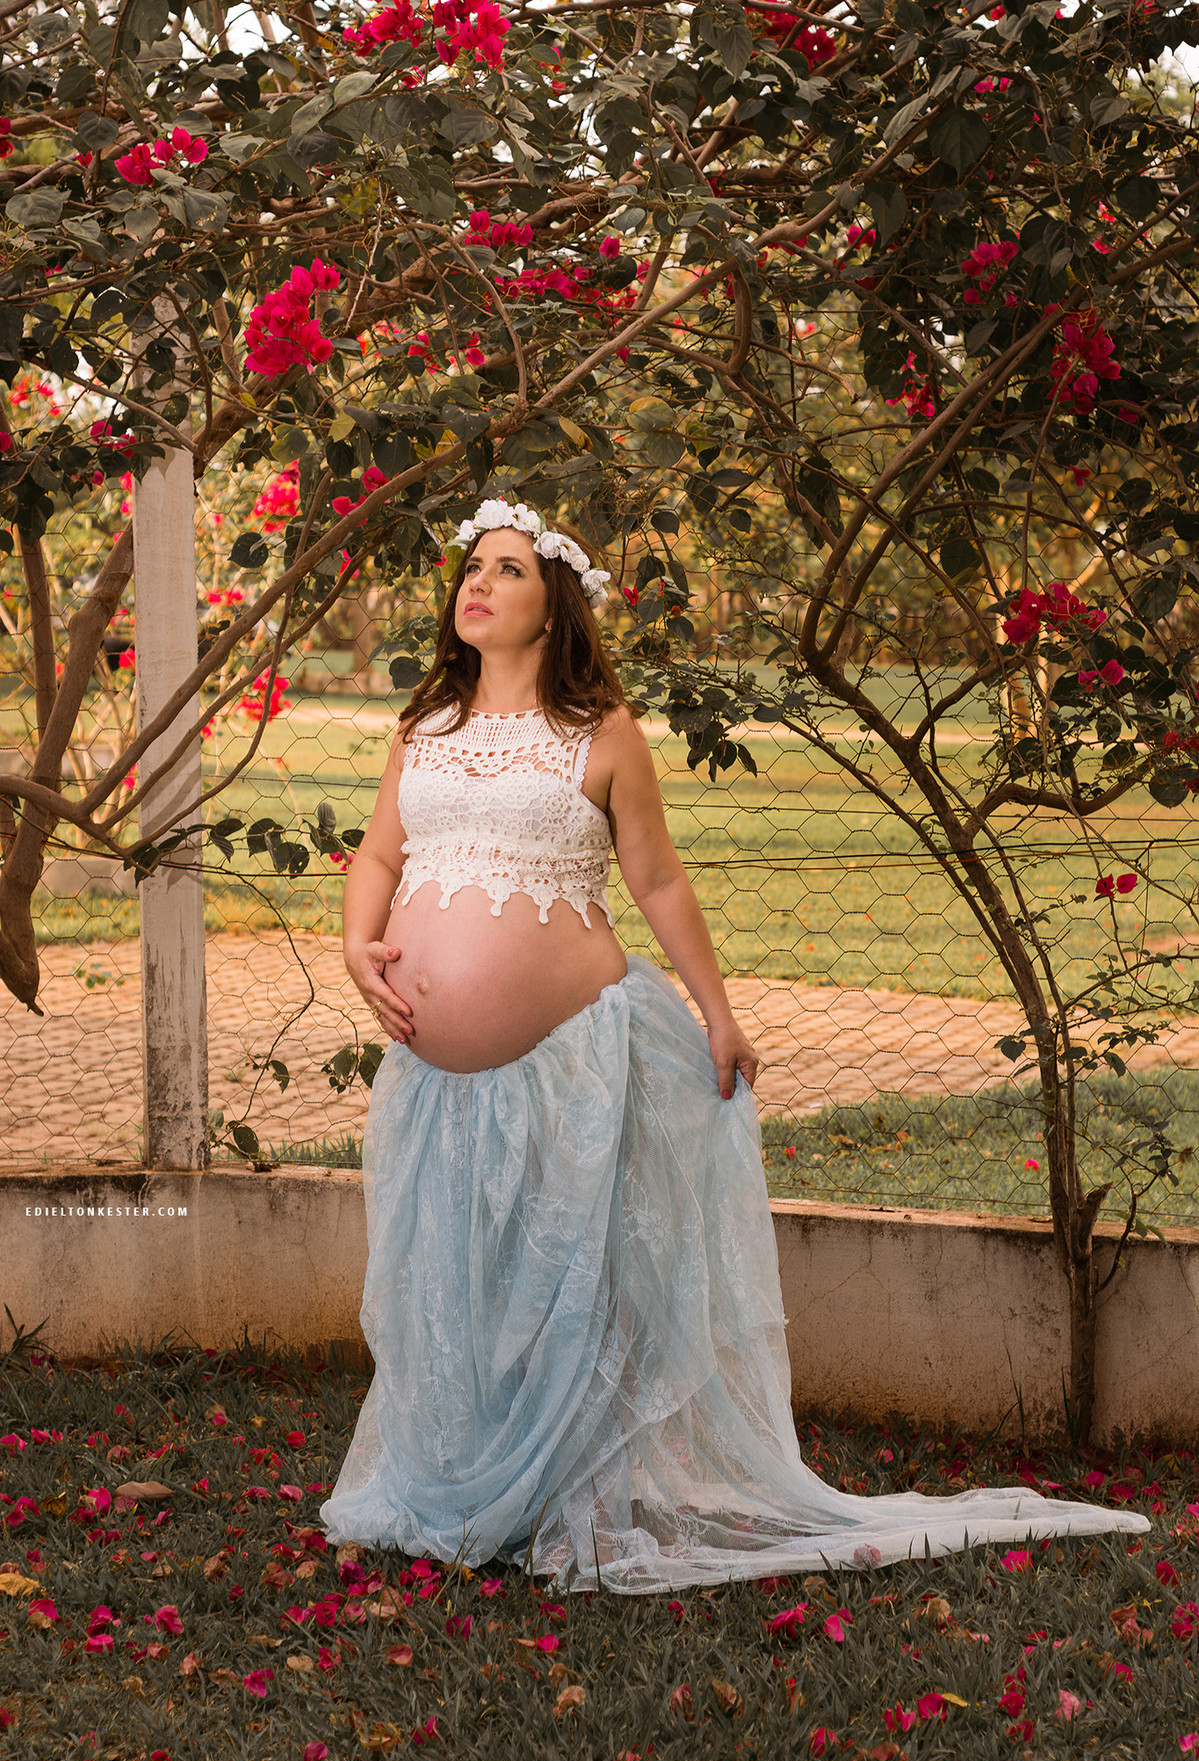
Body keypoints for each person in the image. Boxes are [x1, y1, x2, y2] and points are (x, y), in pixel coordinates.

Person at [319, 494, 1150, 1594]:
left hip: (574, 1058)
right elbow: (378, 855)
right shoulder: (424, 731)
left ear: (554, 601)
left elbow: (656, 880)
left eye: (509, 568)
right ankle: (467, 1481)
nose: (478, 583)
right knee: (458, 1282)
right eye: (472, 566)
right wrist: (355, 946)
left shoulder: (597, 733)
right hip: (436, 1077)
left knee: (569, 1287)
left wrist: (718, 1012)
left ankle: (569, 1494)